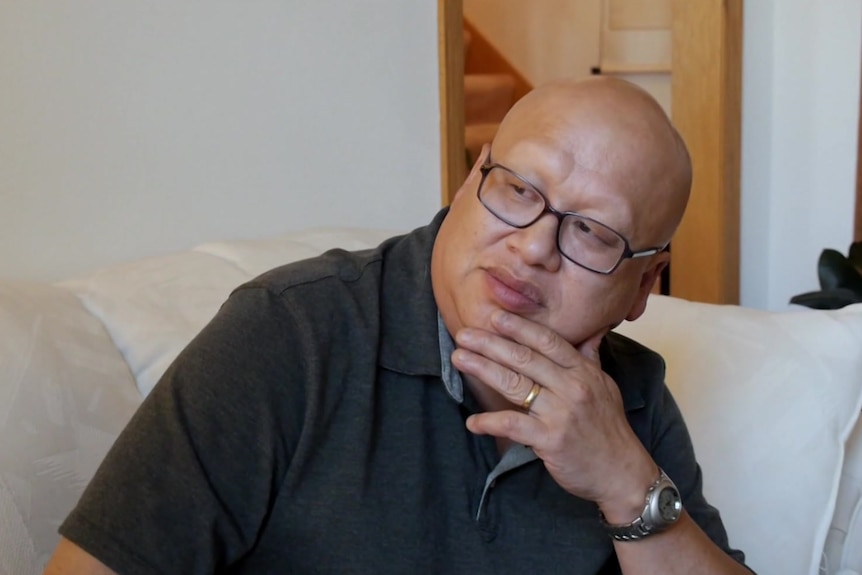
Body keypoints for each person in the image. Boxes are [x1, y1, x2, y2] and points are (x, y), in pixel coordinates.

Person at [44, 77, 753, 574]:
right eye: (519, 190)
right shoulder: (288, 334)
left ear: (642, 287)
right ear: (471, 179)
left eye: (594, 233)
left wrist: (627, 484)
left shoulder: (628, 402)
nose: (533, 246)